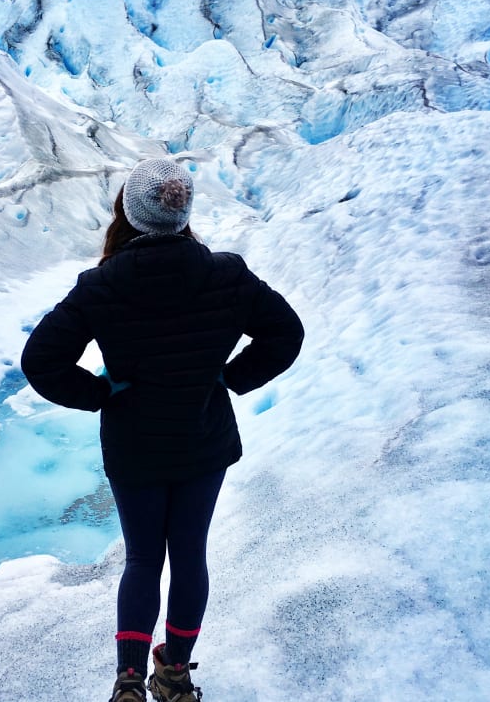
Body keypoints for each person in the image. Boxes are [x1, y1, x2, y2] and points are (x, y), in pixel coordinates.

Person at [21, 159, 304, 702]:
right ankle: (173, 675)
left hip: (135, 447)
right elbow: (285, 334)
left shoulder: (100, 285)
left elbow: (41, 361)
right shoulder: (227, 274)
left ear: (129, 213)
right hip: (203, 438)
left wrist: (99, 394)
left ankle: (129, 680)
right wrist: (232, 376)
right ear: (183, 213)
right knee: (189, 555)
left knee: (144, 560)